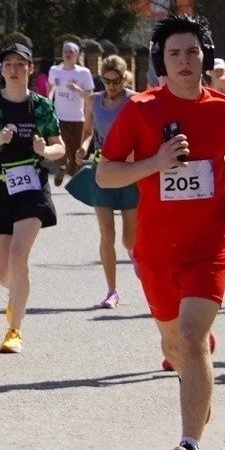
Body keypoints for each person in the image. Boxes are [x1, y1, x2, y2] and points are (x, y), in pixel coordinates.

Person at [95, 14, 225, 450]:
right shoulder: (141, 110)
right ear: (160, 62)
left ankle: (189, 447)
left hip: (209, 243)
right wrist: (156, 162)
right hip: (156, 251)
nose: (184, 61)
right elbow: (105, 175)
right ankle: (196, 375)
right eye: (173, 54)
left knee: (191, 337)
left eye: (191, 52)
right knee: (176, 346)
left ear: (205, 56)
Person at [0, 39, 63, 354]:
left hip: (32, 186)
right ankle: (15, 295)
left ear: (29, 69)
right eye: (8, 64)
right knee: (3, 271)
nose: (14, 69)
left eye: (20, 64)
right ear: (2, 70)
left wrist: (45, 150)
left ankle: (14, 330)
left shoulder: (41, 106)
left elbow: (59, 148)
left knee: (19, 256)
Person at [67, 55, 141, 309]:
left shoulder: (135, 100)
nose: (111, 86)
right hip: (102, 171)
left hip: (130, 172)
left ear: (125, 78)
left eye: (117, 80)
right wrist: (83, 148)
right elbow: (89, 131)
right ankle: (112, 291)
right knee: (106, 233)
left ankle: (136, 256)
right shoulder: (93, 100)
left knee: (129, 239)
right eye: (106, 80)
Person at [47, 40, 96, 173]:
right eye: (65, 51)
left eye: (71, 52)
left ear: (77, 55)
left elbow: (88, 95)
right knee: (60, 145)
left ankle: (74, 176)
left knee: (75, 150)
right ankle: (61, 168)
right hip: (59, 115)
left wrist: (76, 88)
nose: (68, 54)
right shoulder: (54, 70)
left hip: (77, 117)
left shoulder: (83, 73)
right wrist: (48, 101)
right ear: (62, 54)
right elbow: (51, 87)